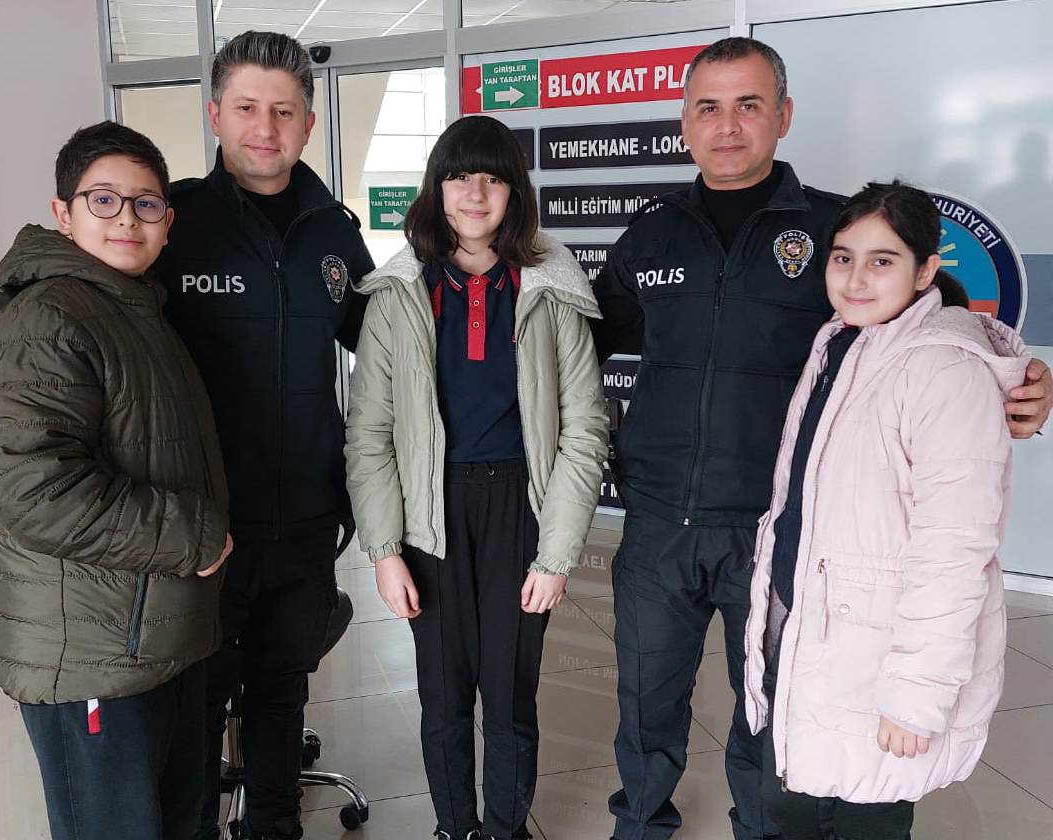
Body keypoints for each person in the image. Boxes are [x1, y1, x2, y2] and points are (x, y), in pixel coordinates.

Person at [590, 37, 1052, 840]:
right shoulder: (652, 232)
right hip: (661, 521)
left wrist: (1024, 380)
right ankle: (640, 825)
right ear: (684, 123)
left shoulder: (833, 231)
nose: (727, 125)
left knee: (769, 714)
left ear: (784, 116)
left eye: (749, 105)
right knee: (644, 702)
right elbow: (585, 338)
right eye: (707, 107)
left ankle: (760, 829)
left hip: (781, 532)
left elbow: (940, 325)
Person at [0, 31, 373, 840]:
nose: (265, 127)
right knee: (192, 714)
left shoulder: (335, 234)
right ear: (214, 115)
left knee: (283, 691)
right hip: (196, 528)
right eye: (246, 107)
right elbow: (68, 329)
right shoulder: (171, 221)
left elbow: (386, 352)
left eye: (284, 111)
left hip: (305, 519)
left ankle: (275, 827)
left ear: (309, 125)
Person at [344, 115, 608, 840]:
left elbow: (584, 429)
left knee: (511, 696)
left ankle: (504, 829)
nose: (475, 192)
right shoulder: (399, 292)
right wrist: (384, 550)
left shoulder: (550, 286)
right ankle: (455, 827)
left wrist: (556, 556)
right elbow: (368, 434)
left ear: (514, 192)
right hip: (430, 514)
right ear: (437, 188)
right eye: (459, 176)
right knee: (444, 696)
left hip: (520, 509)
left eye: (492, 177)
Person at [0, 121, 232, 840]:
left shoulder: (134, 307)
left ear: (167, 221)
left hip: (150, 638)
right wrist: (195, 537)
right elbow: (36, 489)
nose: (126, 219)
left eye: (145, 204)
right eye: (104, 200)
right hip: (93, 652)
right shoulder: (49, 313)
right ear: (63, 213)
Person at [744, 180, 1027, 839]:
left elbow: (955, 548)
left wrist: (916, 693)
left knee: (866, 816)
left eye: (882, 261)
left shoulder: (945, 370)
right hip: (811, 630)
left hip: (878, 660)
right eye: (844, 258)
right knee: (793, 807)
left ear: (926, 270)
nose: (856, 279)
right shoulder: (840, 344)